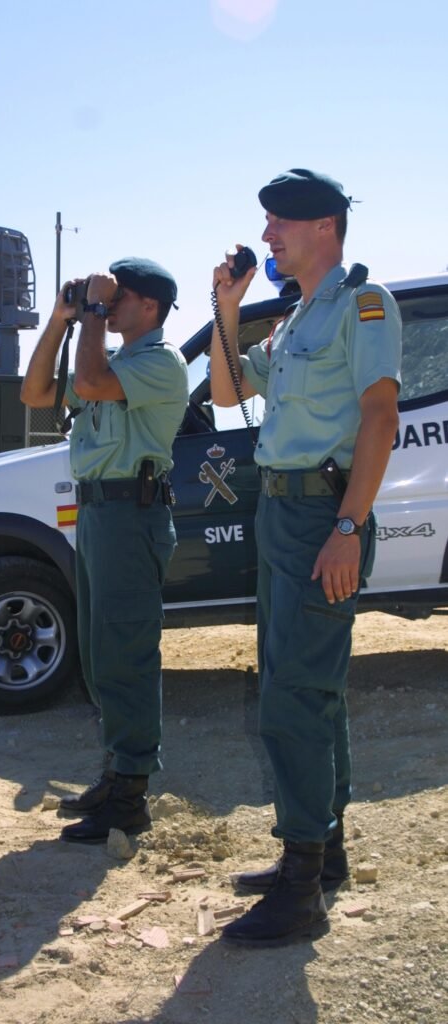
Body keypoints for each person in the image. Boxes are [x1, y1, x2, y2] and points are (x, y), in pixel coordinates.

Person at [209, 169, 402, 945]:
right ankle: (323, 855)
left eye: (276, 224)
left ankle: (299, 885)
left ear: (322, 225)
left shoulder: (364, 303)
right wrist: (224, 308)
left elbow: (379, 416)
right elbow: (226, 393)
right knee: (309, 688)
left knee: (293, 693)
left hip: (324, 513)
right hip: (280, 511)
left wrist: (348, 527)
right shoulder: (291, 322)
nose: (265, 238)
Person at [21, 257, 189, 844]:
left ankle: (130, 798)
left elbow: (89, 386)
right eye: (106, 297)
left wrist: (91, 313)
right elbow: (35, 392)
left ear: (151, 306)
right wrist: (62, 320)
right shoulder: (108, 358)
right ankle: (117, 771)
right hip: (97, 514)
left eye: (120, 297)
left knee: (126, 656)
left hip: (131, 513)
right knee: (98, 657)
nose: (109, 305)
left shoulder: (162, 363)